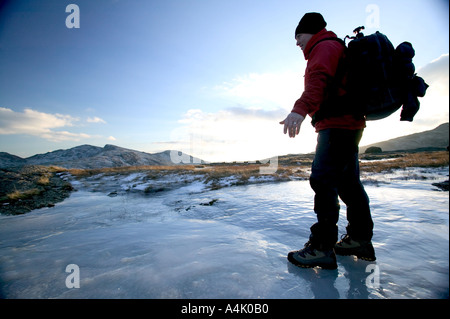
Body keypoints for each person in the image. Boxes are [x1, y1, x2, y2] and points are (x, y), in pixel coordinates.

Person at [280, 12, 376, 270]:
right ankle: (359, 239)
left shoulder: (323, 48)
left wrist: (299, 110)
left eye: (298, 36)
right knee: (348, 185)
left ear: (310, 31)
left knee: (323, 181)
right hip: (347, 124)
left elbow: (318, 80)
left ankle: (322, 247)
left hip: (337, 125)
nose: (297, 42)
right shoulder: (332, 46)